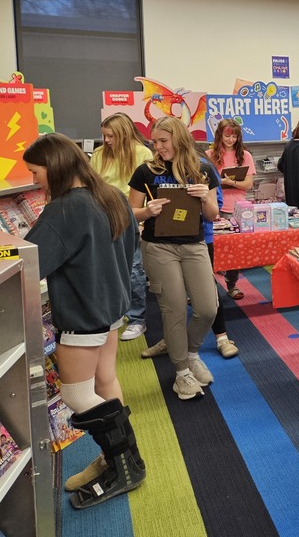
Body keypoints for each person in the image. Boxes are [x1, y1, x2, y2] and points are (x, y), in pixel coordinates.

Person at [24, 133, 145, 508]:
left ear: (55, 166)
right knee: (105, 382)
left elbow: (32, 263)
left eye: (36, 172)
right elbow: (130, 249)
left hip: (82, 315)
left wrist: (6, 244)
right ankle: (121, 460)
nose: (34, 181)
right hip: (111, 310)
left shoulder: (63, 210)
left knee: (78, 394)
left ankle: (124, 464)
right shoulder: (112, 196)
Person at [127, 117, 221, 400]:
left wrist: (205, 197)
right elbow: (130, 211)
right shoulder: (145, 172)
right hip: (158, 248)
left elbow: (212, 215)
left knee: (207, 308)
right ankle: (181, 373)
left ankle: (190, 353)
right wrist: (147, 212)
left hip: (194, 245)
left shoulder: (203, 170)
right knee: (175, 309)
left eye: (163, 141)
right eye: (154, 142)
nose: (157, 147)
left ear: (179, 139)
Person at [91, 113, 152, 341]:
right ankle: (113, 315)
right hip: (102, 218)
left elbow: (145, 189)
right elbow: (92, 185)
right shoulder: (99, 154)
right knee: (106, 270)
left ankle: (137, 319)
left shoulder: (142, 153)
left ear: (124, 134)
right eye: (104, 135)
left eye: (111, 136)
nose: (106, 140)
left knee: (133, 269)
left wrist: (143, 218)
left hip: (129, 217)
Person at [208, 118, 255, 299]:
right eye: (227, 135)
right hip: (214, 207)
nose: (230, 140)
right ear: (220, 135)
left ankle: (232, 284)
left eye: (234, 136)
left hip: (237, 208)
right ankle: (207, 287)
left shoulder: (245, 155)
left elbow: (248, 184)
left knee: (235, 251)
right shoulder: (209, 154)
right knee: (210, 250)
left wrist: (230, 182)